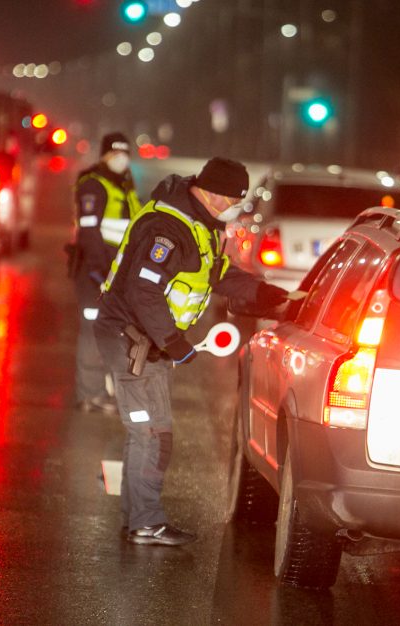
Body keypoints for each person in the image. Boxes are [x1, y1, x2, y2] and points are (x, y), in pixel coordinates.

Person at [95, 157, 290, 546]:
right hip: (132, 341)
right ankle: (145, 522)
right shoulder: (167, 229)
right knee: (150, 434)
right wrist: (174, 343)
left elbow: (219, 274)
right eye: (231, 200)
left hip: (148, 343)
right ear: (213, 191)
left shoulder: (199, 226)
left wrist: (269, 297)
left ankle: (139, 519)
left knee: (152, 433)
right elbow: (143, 290)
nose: (231, 207)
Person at [70, 132, 142, 414]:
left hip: (117, 273)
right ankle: (89, 395)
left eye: (124, 153)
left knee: (113, 331)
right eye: (114, 153)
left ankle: (104, 391)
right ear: (104, 155)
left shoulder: (124, 185)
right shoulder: (93, 185)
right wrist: (101, 272)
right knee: (92, 330)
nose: (120, 158)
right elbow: (88, 232)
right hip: (95, 273)